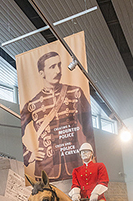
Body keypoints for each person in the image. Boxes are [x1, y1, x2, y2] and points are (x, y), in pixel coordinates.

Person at [20, 51, 94, 181]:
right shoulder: (33, 103)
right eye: (52, 67)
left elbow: (89, 128)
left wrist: (89, 155)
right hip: (46, 169)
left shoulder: (75, 92)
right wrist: (28, 155)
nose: (58, 71)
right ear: (41, 73)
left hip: (74, 165)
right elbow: (17, 128)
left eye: (59, 65)